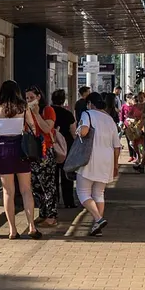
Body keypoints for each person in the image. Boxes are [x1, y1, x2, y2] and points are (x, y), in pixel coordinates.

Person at [0, 80, 42, 239]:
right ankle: (31, 226)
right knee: (26, 190)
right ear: (17, 92)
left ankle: (12, 230)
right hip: (21, 148)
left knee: (8, 191)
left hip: (4, 149)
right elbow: (33, 127)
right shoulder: (23, 107)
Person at [72, 92, 121, 236]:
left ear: (89, 104)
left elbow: (84, 131)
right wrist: (115, 165)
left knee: (82, 192)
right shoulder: (109, 119)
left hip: (89, 158)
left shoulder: (87, 114)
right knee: (99, 193)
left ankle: (98, 219)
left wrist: (78, 130)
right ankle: (96, 227)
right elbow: (117, 146)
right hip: (106, 160)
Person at [24, 87, 59, 226]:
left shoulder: (47, 110)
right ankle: (43, 213)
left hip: (46, 150)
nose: (29, 100)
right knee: (36, 184)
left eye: (31, 97)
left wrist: (37, 114)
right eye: (27, 98)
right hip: (32, 150)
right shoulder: (26, 111)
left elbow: (47, 128)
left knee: (48, 183)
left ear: (38, 97)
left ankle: (51, 216)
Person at [51, 88, 78, 209]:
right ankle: (69, 201)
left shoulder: (47, 112)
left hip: (51, 146)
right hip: (66, 146)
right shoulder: (68, 114)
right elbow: (74, 132)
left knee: (52, 175)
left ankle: (54, 200)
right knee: (66, 174)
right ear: (63, 100)